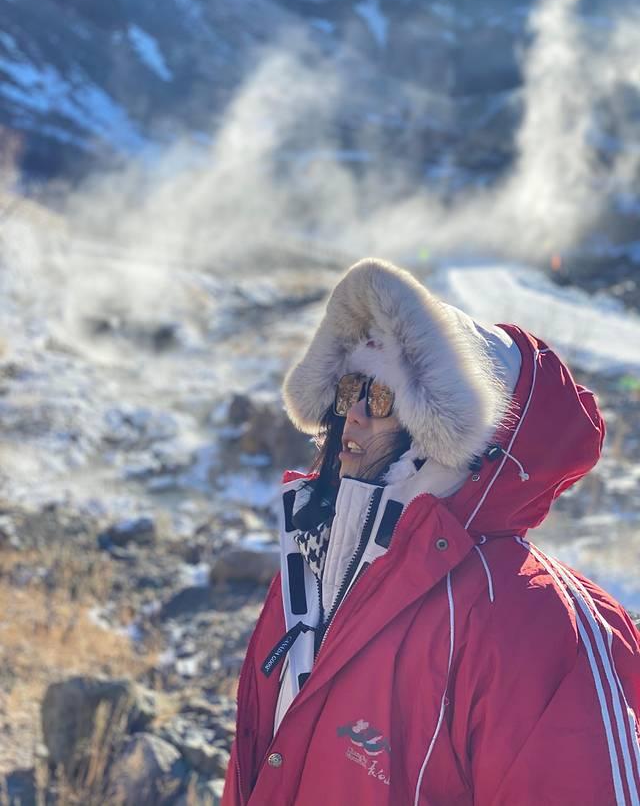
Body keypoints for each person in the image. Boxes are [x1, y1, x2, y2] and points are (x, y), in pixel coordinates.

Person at [222, 257, 640, 806]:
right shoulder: (311, 567)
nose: (354, 416)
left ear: (441, 438)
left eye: (383, 398)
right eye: (351, 390)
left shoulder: (544, 628)